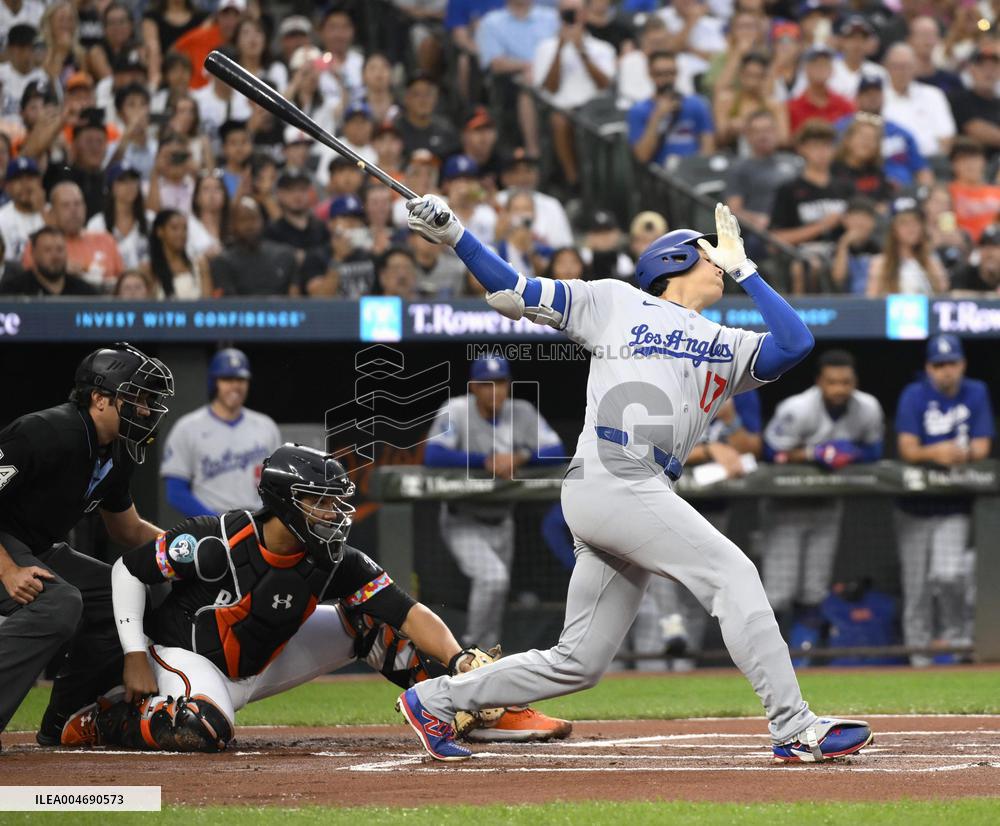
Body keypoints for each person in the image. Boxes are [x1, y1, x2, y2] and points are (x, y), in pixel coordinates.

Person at [397, 194, 873, 764]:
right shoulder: (615, 300)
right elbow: (514, 292)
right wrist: (457, 237)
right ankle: (796, 727)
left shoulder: (728, 344)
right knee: (734, 574)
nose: (718, 260)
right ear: (673, 261)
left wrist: (747, 269)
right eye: (707, 253)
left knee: (579, 661)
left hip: (645, 486)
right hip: (612, 474)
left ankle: (436, 700)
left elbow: (797, 344)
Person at [58, 444, 570, 750]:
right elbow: (129, 567)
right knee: (203, 730)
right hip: (186, 657)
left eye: (334, 501)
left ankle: (471, 706)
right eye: (318, 501)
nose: (332, 512)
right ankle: (106, 717)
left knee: (371, 622)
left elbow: (406, 612)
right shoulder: (218, 538)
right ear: (284, 501)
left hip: (261, 663)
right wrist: (133, 654)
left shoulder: (334, 557)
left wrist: (460, 660)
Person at [0, 343, 173, 748]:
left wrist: (190, 546)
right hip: (7, 549)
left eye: (149, 400)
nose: (146, 410)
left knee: (125, 596)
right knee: (60, 602)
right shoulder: (44, 432)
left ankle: (64, 719)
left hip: (35, 546)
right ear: (99, 398)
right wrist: (7, 569)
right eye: (137, 397)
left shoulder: (116, 452)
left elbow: (127, 529)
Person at [424, 356, 565, 647]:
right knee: (493, 578)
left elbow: (557, 449)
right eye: (486, 385)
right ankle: (470, 651)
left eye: (500, 383)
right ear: (473, 387)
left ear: (508, 386)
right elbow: (433, 455)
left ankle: (486, 656)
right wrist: (484, 461)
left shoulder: (521, 412)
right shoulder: (457, 410)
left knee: (497, 593)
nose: (494, 391)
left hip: (503, 521)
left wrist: (521, 456)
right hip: (463, 518)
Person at [759, 350, 885, 645]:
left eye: (845, 382)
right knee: (779, 592)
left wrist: (853, 452)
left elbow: (876, 450)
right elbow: (768, 451)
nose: (839, 389)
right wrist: (813, 453)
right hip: (786, 507)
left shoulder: (867, 408)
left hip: (827, 505)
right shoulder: (798, 408)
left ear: (854, 381)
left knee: (814, 590)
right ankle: (766, 661)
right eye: (832, 382)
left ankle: (804, 661)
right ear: (819, 382)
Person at [894, 335, 994, 666]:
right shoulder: (915, 393)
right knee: (917, 586)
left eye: (951, 363)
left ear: (962, 364)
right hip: (914, 507)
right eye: (938, 365)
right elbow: (907, 449)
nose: (946, 371)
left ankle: (958, 641)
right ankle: (919, 657)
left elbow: (982, 448)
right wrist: (936, 452)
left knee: (948, 574)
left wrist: (960, 453)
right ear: (929, 367)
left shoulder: (976, 391)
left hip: (953, 506)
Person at [161, 348, 282, 519]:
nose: (235, 386)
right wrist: (217, 523)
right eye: (227, 379)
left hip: (257, 522)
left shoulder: (266, 426)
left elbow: (276, 486)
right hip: (212, 525)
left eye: (240, 379)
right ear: (214, 382)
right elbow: (176, 492)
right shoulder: (187, 427)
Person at [532, 0, 616, 191]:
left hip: (597, 110)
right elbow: (549, 88)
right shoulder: (546, 47)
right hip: (562, 110)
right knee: (559, 120)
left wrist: (581, 51)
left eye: (575, 12)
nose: (571, 17)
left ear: (585, 14)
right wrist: (561, 48)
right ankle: (574, 181)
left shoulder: (602, 48)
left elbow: (604, 84)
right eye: (566, 13)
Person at [770, 120, 851, 293]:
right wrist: (822, 226)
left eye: (827, 146)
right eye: (815, 146)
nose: (822, 152)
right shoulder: (789, 190)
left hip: (842, 250)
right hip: (803, 253)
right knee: (808, 265)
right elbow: (776, 238)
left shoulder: (845, 188)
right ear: (802, 149)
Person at [23, 180, 124, 290]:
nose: (73, 210)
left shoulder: (106, 240)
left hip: (102, 302)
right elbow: (30, 280)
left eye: (78, 204)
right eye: (65, 205)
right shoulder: (40, 244)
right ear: (52, 212)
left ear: (85, 208)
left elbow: (122, 281)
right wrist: (59, 270)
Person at [628, 50, 714, 165]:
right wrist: (657, 117)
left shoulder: (696, 104)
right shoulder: (639, 110)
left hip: (692, 171)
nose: (667, 79)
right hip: (659, 175)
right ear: (650, 74)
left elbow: (708, 147)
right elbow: (642, 156)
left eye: (671, 73)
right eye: (660, 74)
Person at [209, 197, 298, 297]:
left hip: (281, 311)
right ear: (232, 225)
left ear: (263, 221)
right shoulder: (222, 262)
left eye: (254, 218)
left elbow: (295, 302)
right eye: (243, 219)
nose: (250, 225)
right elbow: (227, 306)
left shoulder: (285, 256)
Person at [882, 43, 955, 158]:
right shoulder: (878, 98)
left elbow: (947, 136)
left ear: (914, 67)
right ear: (886, 67)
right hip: (893, 162)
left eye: (907, 66)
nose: (902, 72)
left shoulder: (933, 95)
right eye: (897, 66)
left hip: (931, 161)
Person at [866, 197, 950, 297]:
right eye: (904, 223)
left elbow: (943, 297)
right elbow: (872, 301)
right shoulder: (881, 264)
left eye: (916, 223)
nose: (912, 228)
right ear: (894, 230)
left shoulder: (932, 263)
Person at [299, 194, 376, 299]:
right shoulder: (316, 256)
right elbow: (318, 298)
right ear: (331, 223)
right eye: (345, 217)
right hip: (333, 314)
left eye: (356, 218)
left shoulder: (369, 254)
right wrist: (338, 258)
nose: (352, 223)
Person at [86, 162, 151, 271]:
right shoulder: (97, 224)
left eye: (133, 180)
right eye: (123, 181)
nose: (130, 185)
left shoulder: (150, 220)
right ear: (112, 187)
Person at [0, 225, 98, 296]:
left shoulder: (84, 293)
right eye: (47, 250)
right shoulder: (12, 291)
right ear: (33, 254)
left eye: (60, 249)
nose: (55, 256)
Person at [787, 46, 856, 135]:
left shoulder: (845, 105)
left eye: (825, 63)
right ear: (805, 69)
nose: (820, 68)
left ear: (832, 70)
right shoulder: (792, 107)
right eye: (815, 63)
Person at [142, 209, 208, 300]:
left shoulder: (199, 264)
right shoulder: (148, 269)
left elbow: (208, 303)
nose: (181, 233)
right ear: (160, 231)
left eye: (184, 228)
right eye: (174, 228)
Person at [947, 41, 999, 156]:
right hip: (972, 162)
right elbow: (976, 130)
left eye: (993, 67)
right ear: (971, 70)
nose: (989, 72)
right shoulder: (959, 99)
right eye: (983, 66)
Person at [263, 167, 329, 256]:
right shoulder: (272, 232)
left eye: (302, 189)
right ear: (279, 194)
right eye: (290, 190)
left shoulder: (321, 228)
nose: (297, 195)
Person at [946, 138, 1000, 244]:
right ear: (953, 165)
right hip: (964, 245)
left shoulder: (997, 191)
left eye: (974, 158)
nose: (970, 164)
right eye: (963, 160)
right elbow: (945, 225)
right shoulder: (947, 193)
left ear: (983, 161)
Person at [830, 197, 882, 294]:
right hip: (844, 300)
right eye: (855, 217)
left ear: (873, 222)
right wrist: (843, 245)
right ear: (845, 220)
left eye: (865, 217)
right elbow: (838, 278)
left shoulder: (878, 247)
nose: (860, 222)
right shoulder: (836, 247)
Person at [0, 156, 44, 264]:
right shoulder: (2, 219)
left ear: (39, 182)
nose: (25, 184)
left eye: (30, 178)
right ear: (7, 187)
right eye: (18, 179)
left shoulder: (51, 214)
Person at [0, 23, 46, 118]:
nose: (26, 54)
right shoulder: (1, 74)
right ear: (9, 49)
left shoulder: (42, 77)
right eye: (21, 48)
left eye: (30, 48)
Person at [951, 224, 1000, 293]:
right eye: (984, 246)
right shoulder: (965, 273)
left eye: (994, 246)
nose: (989, 251)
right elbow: (954, 295)